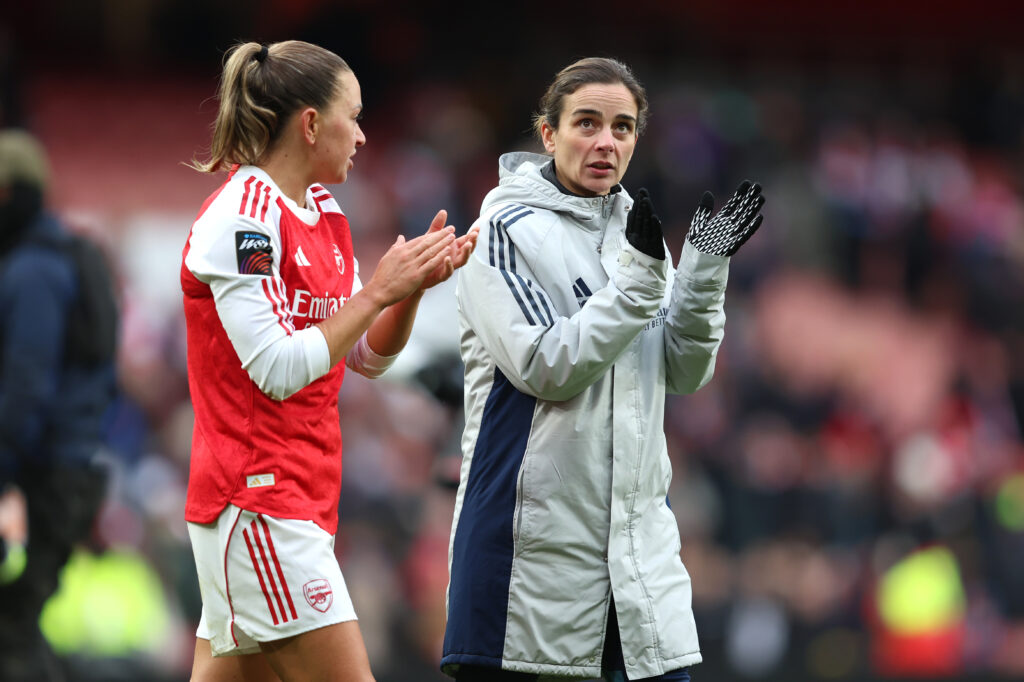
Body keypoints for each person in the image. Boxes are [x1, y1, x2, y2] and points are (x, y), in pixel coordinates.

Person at [442, 58, 764, 681]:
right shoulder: (502, 230)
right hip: (528, 563)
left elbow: (681, 370)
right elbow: (545, 366)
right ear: (547, 134)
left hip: (638, 559)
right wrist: (640, 284)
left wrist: (700, 273)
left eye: (622, 127)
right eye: (586, 123)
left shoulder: (633, 232)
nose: (605, 142)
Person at [181, 40, 478, 682]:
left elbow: (363, 357)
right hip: (257, 501)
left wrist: (411, 288)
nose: (365, 136)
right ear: (312, 123)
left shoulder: (325, 214)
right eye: (355, 115)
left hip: (300, 501)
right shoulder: (244, 221)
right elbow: (278, 369)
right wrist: (377, 290)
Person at [0, 129, 118, 681]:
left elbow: (25, 387)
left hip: (37, 477)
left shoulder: (33, 271)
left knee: (11, 631)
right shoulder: (58, 257)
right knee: (17, 625)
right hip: (65, 475)